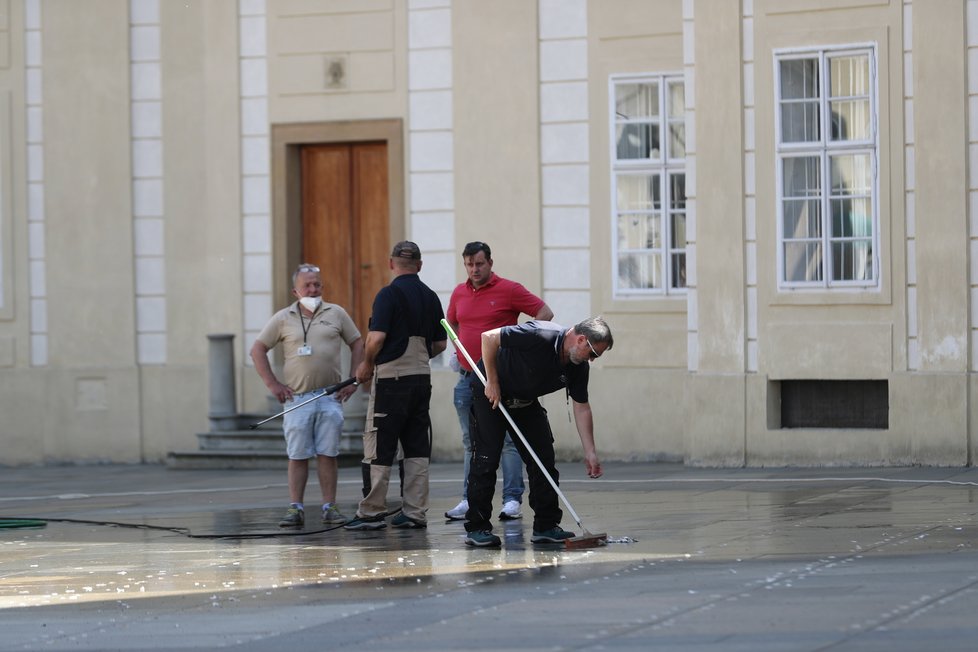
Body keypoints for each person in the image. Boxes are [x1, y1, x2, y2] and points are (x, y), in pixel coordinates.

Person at [462, 317, 613, 547]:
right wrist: (492, 382)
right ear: (581, 339)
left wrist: (590, 451)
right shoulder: (540, 334)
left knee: (543, 459)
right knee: (486, 459)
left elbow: (581, 406)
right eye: (593, 354)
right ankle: (477, 527)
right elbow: (489, 337)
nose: (591, 360)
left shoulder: (577, 367)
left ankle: (546, 525)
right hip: (491, 393)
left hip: (525, 401)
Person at [445, 241, 553, 522]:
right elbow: (452, 322)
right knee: (473, 443)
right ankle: (470, 499)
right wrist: (460, 352)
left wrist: (521, 345)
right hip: (468, 378)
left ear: (490, 263)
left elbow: (544, 314)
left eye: (479, 264)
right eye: (469, 264)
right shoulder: (459, 292)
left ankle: (512, 499)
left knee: (508, 442)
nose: (474, 269)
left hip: (502, 379)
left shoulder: (509, 290)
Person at [250, 263, 364, 528]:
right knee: (298, 454)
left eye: (317, 284)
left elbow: (358, 343)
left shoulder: (336, 313)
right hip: (297, 399)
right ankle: (295, 508)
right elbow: (257, 350)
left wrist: (354, 380)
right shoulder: (282, 318)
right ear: (295, 291)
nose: (313, 289)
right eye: (307, 285)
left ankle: (329, 506)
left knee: (328, 453)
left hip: (330, 396)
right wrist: (273, 385)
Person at [344, 241, 447, 530]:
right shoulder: (430, 296)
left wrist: (366, 364)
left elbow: (376, 338)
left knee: (379, 445)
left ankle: (372, 511)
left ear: (391, 264)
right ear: (420, 265)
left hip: (391, 379)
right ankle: (414, 512)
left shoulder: (387, 294)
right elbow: (440, 343)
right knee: (416, 446)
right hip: (421, 378)